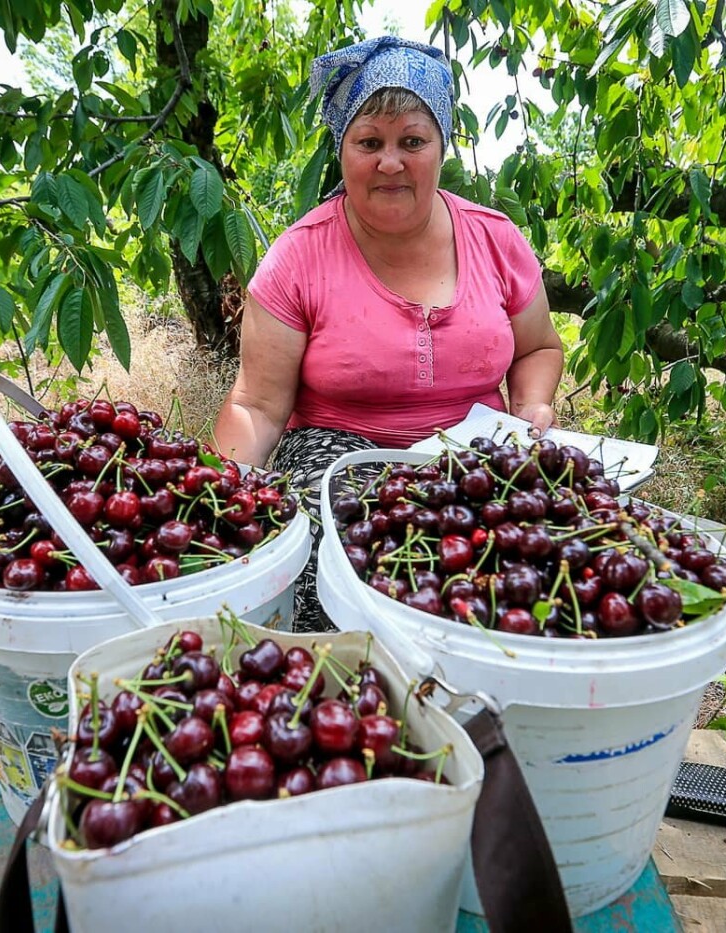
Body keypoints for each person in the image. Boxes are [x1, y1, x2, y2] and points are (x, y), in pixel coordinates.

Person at [211, 36, 563, 628]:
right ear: (342, 150)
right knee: (343, 579)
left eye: (413, 141)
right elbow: (257, 404)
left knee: (529, 575)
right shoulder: (298, 258)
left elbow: (539, 346)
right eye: (369, 142)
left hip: (471, 463)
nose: (391, 162)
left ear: (441, 147)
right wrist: (222, 499)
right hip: (340, 465)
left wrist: (531, 404)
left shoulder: (496, 239)